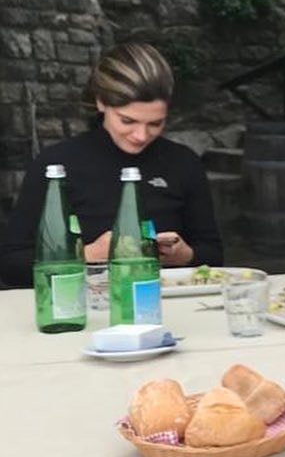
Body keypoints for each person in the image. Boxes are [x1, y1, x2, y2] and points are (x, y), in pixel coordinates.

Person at [0, 42, 223, 286]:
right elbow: (11, 263)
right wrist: (87, 255)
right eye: (127, 121)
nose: (141, 135)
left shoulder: (183, 162)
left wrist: (184, 255)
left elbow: (214, 255)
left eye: (155, 124)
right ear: (101, 103)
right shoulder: (56, 164)